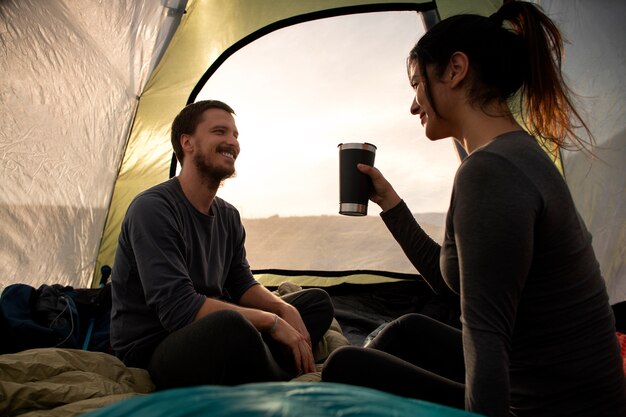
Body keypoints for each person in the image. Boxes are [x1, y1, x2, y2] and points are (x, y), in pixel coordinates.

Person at [321, 1, 626, 416]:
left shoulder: (490, 171)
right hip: (567, 385)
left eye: (416, 84)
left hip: (549, 406)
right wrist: (390, 204)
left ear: (455, 70)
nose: (413, 105)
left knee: (345, 366)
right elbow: (459, 288)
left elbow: (486, 338)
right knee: (407, 331)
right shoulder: (516, 154)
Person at [110, 100, 334, 388]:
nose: (232, 142)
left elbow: (242, 284)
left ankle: (260, 362)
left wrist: (282, 309)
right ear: (187, 143)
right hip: (156, 344)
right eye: (220, 132)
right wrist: (272, 322)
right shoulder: (153, 209)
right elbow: (179, 309)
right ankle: (280, 379)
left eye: (235, 135)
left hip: (216, 328)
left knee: (315, 303)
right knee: (232, 326)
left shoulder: (228, 215)